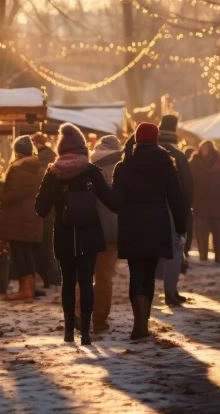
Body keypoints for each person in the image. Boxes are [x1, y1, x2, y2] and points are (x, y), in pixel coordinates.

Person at [35, 123, 117, 345]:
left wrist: (58, 205)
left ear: (61, 149)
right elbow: (112, 202)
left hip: (63, 235)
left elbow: (40, 208)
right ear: (82, 149)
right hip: (89, 235)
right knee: (86, 280)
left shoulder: (52, 173)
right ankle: (87, 333)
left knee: (68, 282)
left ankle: (69, 330)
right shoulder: (91, 172)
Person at [111, 123, 187, 339]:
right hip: (157, 224)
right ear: (155, 139)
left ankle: (139, 323)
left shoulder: (124, 166)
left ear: (136, 139)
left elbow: (116, 201)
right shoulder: (165, 164)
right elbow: (176, 198)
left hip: (132, 225)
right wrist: (181, 228)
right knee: (150, 275)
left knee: (136, 272)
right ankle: (144, 322)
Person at [82, 135, 122, 332]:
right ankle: (99, 319)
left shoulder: (88, 166)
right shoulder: (121, 166)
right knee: (104, 276)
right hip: (112, 230)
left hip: (89, 228)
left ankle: (80, 315)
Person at [0, 136, 45, 301]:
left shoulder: (18, 169)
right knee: (27, 252)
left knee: (20, 253)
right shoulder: (38, 168)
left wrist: (1, 195)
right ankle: (29, 287)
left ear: (16, 151)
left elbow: (10, 195)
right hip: (33, 217)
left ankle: (25, 290)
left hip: (17, 218)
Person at [156, 115, 193, 306]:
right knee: (175, 251)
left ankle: (146, 294)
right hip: (172, 209)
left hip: (148, 210)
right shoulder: (178, 157)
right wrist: (187, 209)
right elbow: (187, 186)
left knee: (150, 252)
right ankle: (171, 291)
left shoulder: (144, 154)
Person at [190, 140, 220, 262]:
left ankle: (218, 255)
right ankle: (204, 255)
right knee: (202, 231)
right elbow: (190, 180)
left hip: (217, 201)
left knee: (218, 232)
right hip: (201, 201)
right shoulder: (195, 161)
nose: (204, 150)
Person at [32, 132, 61, 288]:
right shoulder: (53, 157)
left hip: (46, 210)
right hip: (54, 210)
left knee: (47, 246)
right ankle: (54, 276)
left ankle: (51, 276)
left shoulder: (39, 161)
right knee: (51, 245)